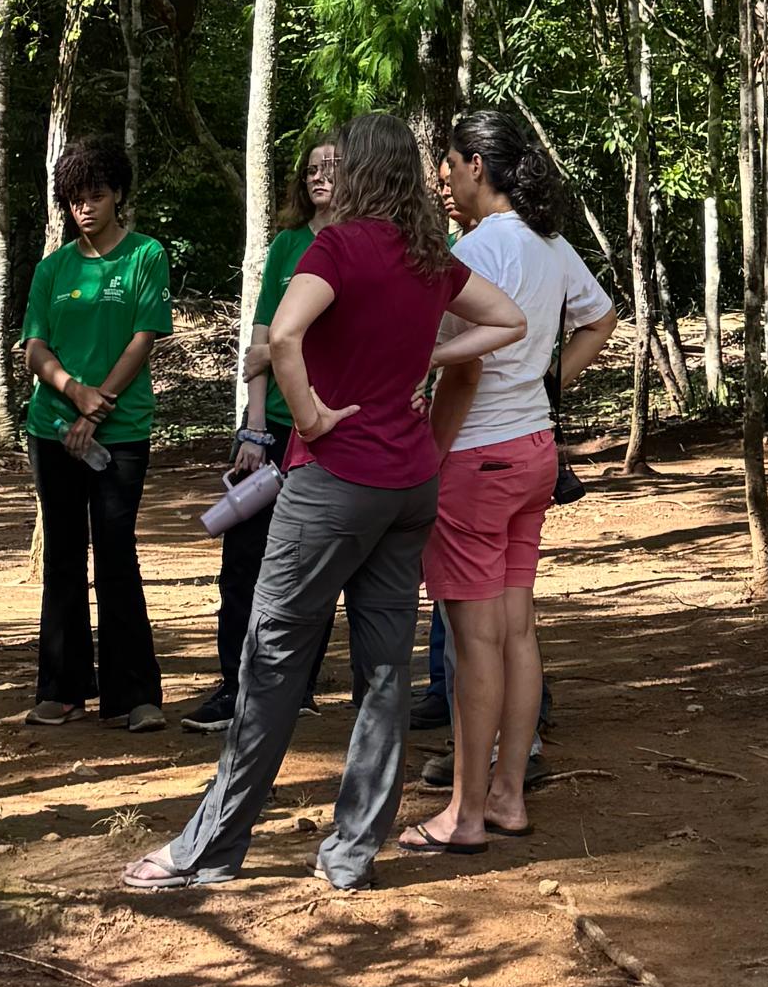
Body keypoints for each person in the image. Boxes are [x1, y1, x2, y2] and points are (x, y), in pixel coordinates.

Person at [121, 108, 519, 899]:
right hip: (408, 484)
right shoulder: (426, 255)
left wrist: (305, 417)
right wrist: (432, 355)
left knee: (271, 661)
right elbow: (510, 320)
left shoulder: (337, 246)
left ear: (360, 171)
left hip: (334, 482)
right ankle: (350, 854)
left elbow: (284, 337)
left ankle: (210, 847)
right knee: (381, 674)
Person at [404, 106, 614, 854]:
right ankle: (506, 795)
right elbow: (602, 316)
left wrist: (430, 451)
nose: (443, 181)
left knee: (474, 640)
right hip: (533, 452)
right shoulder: (550, 243)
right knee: (517, 626)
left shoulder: (477, 251)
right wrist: (548, 381)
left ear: (476, 166)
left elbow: (461, 370)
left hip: (476, 456)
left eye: (450, 167)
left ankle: (462, 813)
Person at [186, 126, 345, 732]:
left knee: (313, 565)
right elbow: (258, 347)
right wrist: (253, 428)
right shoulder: (286, 247)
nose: (318, 175)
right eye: (310, 168)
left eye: (331, 165)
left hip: (329, 433)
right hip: (273, 431)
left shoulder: (363, 247)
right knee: (244, 563)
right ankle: (236, 685)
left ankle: (297, 685)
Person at [20, 137, 172, 731]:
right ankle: (61, 689)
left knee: (115, 553)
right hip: (51, 429)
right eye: (77, 197)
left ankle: (133, 695)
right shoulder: (53, 267)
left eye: (98, 195)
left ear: (118, 196)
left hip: (121, 432)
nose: (87, 206)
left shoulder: (145, 256)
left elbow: (143, 338)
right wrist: (72, 393)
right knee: (63, 556)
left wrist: (95, 408)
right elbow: (34, 345)